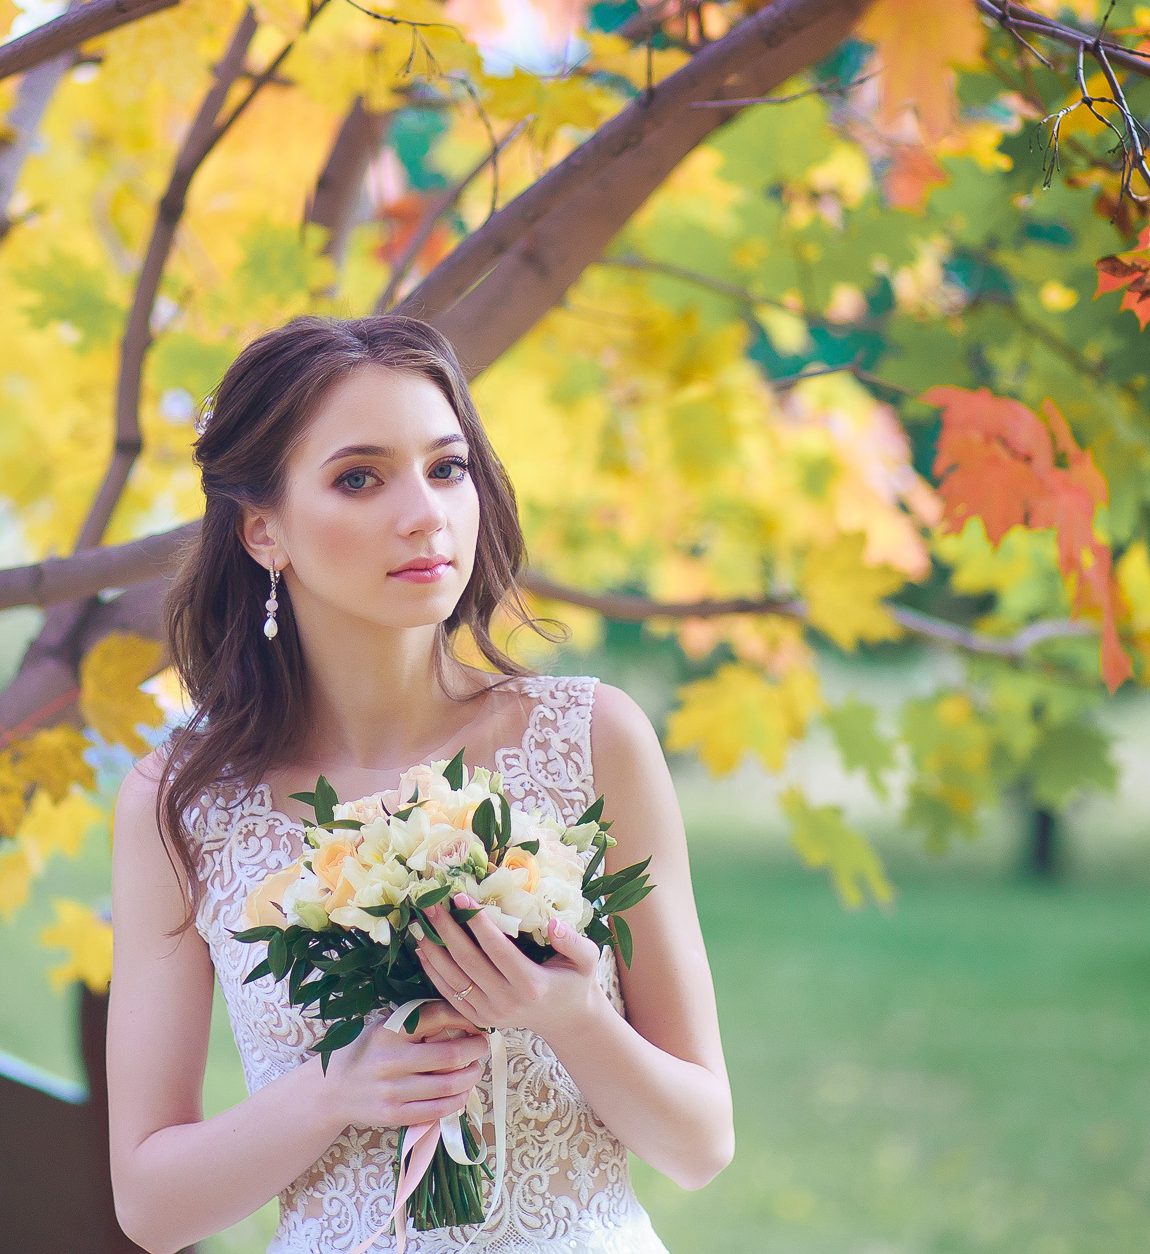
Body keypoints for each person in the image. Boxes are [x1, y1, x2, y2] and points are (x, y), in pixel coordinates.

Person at [108, 315, 732, 1254]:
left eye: (446, 467)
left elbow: (700, 1143)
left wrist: (566, 1014)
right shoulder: (184, 802)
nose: (424, 512)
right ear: (262, 529)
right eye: (359, 477)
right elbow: (150, 1206)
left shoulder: (593, 739)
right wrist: (333, 1093)